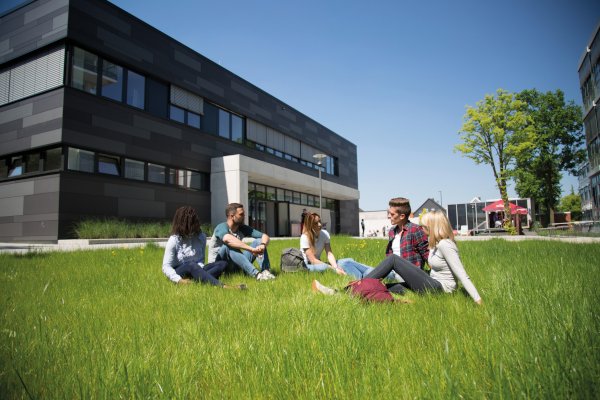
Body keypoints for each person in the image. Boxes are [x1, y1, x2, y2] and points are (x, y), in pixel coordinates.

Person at [314, 210, 482, 305]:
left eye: (424, 227)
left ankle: (344, 292)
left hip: (440, 290)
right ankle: (353, 296)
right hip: (431, 284)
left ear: (434, 226)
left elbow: (462, 274)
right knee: (386, 287)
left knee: (393, 259)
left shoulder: (446, 244)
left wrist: (478, 300)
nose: (421, 229)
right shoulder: (436, 244)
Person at [162, 206, 246, 289]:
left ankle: (197, 281)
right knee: (191, 265)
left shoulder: (201, 237)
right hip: (179, 272)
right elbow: (166, 266)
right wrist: (179, 280)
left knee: (222, 264)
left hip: (195, 269)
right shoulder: (174, 240)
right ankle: (224, 286)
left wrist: (200, 270)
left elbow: (200, 260)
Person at [207, 203, 276, 281]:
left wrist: (263, 245)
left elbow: (264, 236)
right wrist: (251, 249)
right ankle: (257, 275)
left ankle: (265, 272)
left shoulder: (242, 228)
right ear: (231, 216)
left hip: (234, 265)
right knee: (228, 246)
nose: (244, 217)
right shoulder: (221, 227)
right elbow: (227, 239)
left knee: (259, 241)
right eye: (241, 214)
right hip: (219, 266)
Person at [301, 212, 374, 278]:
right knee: (325, 267)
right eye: (316, 223)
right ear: (310, 225)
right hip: (307, 266)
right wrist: (333, 269)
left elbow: (329, 254)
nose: (320, 224)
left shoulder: (325, 234)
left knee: (348, 261)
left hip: (319, 263)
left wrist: (335, 266)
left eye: (320, 221)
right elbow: (313, 260)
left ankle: (372, 272)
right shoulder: (305, 237)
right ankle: (358, 280)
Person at [385, 197, 429, 269]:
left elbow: (426, 253)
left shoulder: (415, 229)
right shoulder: (392, 231)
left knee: (368, 274)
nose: (389, 216)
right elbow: (389, 255)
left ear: (402, 216)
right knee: (359, 267)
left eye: (392, 214)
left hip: (409, 273)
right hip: (392, 271)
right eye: (389, 213)